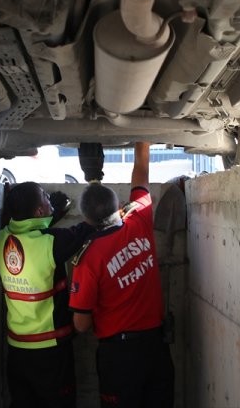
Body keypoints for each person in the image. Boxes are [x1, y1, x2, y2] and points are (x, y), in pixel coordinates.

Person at [69, 142, 174, 407]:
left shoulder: (89, 258)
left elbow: (81, 325)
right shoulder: (138, 219)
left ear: (86, 219)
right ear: (118, 207)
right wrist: (142, 142)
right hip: (155, 347)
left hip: (119, 355)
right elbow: (141, 176)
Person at [0, 182, 94, 408]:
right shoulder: (51, 243)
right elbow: (85, 230)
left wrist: (51, 211)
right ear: (39, 212)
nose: (50, 198)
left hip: (17, 352)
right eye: (45, 197)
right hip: (50, 351)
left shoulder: (3, 237)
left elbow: (29, 228)